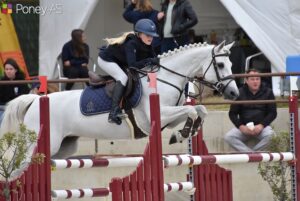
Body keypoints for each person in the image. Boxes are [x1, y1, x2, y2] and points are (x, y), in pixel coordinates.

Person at [98, 18, 159, 125]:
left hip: (120, 60)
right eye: (147, 35)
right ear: (139, 34)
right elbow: (133, 66)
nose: (151, 37)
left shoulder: (148, 45)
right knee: (123, 77)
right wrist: (150, 61)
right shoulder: (131, 44)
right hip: (106, 59)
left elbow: (152, 68)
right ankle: (113, 112)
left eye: (152, 35)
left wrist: (154, 91)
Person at [224, 69, 277, 152]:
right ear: (246, 81)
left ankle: (253, 154)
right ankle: (250, 154)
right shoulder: (239, 92)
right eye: (252, 79)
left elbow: (273, 113)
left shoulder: (268, 92)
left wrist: (261, 125)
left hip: (261, 127)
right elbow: (232, 113)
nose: (255, 82)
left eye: (257, 79)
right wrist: (241, 127)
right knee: (229, 137)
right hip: (245, 127)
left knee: (272, 136)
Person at [0, 58, 30, 123]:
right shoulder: (2, 82)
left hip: (19, 109)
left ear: (15, 70)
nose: (8, 71)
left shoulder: (21, 81)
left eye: (11, 69)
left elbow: (25, 97)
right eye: (6, 69)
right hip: (4, 109)